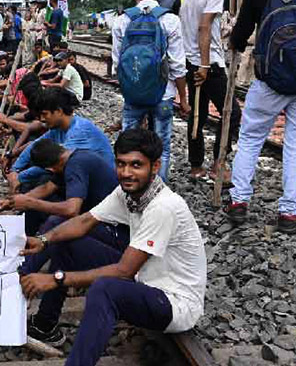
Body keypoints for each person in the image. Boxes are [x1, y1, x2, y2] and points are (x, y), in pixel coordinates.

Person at [20, 129, 207, 366]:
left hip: (173, 301)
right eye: (121, 164)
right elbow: (86, 221)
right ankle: (45, 325)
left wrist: (56, 278)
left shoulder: (163, 207)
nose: (126, 173)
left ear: (156, 166)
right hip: (146, 279)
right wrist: (44, 240)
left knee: (105, 289)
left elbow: (123, 271)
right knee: (65, 244)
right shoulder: (128, 193)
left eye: (136, 165)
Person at [226, 0, 296, 230]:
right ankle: (289, 212)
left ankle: (239, 201)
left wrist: (235, 43)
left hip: (269, 79)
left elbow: (241, 35)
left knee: (251, 138)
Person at [112, 0, 189, 181]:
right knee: (162, 147)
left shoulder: (121, 20)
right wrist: (183, 99)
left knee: (128, 146)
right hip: (163, 94)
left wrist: (131, 89)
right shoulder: (170, 20)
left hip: (133, 95)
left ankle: (130, 189)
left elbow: (118, 64)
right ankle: (158, 191)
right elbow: (177, 66)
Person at [180, 0, 241, 181]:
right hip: (209, 65)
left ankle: (196, 166)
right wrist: (205, 65)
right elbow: (204, 27)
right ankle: (219, 163)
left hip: (191, 64)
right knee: (232, 114)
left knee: (198, 115)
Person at [0, 139, 119, 236]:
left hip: (111, 224)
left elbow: (72, 209)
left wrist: (30, 203)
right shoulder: (71, 157)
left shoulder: (75, 166)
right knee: (35, 208)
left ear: (50, 169)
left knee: (54, 223)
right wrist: (11, 201)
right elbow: (47, 188)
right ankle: (18, 247)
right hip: (94, 213)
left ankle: (26, 266)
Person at [9, 88, 113, 190]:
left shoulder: (79, 131)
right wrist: (15, 169)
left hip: (101, 185)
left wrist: (19, 177)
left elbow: (57, 162)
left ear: (58, 111)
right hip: (84, 175)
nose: (42, 119)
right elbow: (36, 144)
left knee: (45, 179)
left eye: (45, 114)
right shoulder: (58, 129)